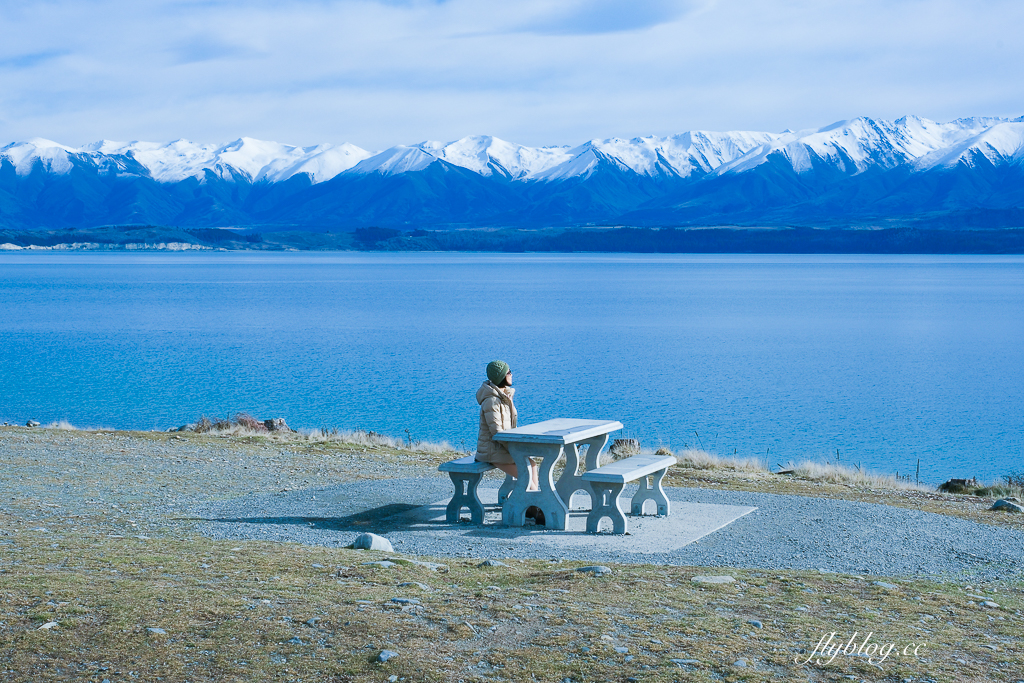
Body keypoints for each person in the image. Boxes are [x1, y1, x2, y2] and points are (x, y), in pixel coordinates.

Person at [475, 359, 540, 494]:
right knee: (525, 475)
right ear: (501, 377)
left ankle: (530, 506)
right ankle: (537, 507)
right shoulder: (492, 401)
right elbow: (497, 433)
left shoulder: (504, 397)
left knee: (532, 465)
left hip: (503, 449)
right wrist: (516, 449)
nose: (511, 374)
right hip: (492, 452)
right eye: (509, 372)